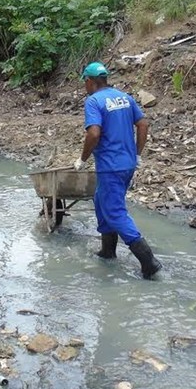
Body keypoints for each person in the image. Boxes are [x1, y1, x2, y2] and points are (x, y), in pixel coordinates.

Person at [74, 62, 162, 279]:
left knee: (115, 212)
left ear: (89, 81)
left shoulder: (94, 101)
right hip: (127, 164)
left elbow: (94, 133)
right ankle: (108, 251)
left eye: (84, 83)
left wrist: (82, 159)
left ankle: (148, 260)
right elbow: (143, 124)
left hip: (110, 166)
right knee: (101, 200)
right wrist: (138, 154)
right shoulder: (124, 97)